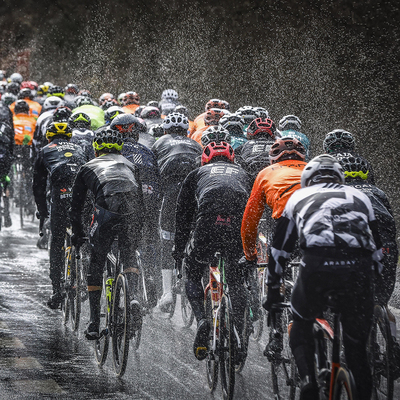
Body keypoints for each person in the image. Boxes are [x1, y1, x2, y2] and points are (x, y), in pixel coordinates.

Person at [264, 154, 383, 400]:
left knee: (301, 322)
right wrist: (375, 287)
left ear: (308, 180)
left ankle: (308, 382)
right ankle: (361, 387)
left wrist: (273, 289)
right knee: (356, 350)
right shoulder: (360, 197)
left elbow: (279, 250)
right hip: (357, 269)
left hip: (317, 265)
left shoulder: (298, 196)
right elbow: (378, 252)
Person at [173, 140, 252, 360]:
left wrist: (179, 250)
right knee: (236, 281)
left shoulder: (197, 173)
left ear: (206, 158)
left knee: (194, 272)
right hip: (238, 223)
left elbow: (183, 216)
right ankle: (236, 329)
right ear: (232, 158)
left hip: (207, 222)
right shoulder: (244, 174)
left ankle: (202, 320)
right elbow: (255, 208)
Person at [69, 128, 144, 340]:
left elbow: (76, 206)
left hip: (106, 211)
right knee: (129, 252)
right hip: (132, 211)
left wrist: (78, 234)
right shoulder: (130, 164)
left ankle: (94, 322)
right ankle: (133, 297)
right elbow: (140, 200)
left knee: (97, 261)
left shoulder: (87, 167)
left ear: (96, 150)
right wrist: (140, 229)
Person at [336, 153, 400, 348]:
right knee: (380, 302)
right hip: (385, 250)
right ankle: (394, 345)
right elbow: (391, 226)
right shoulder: (379, 193)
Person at [33, 121, 87, 309]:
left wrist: (43, 213)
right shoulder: (80, 148)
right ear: (69, 137)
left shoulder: (45, 150)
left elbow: (38, 187)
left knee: (56, 241)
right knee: (83, 235)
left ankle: (57, 291)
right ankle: (86, 274)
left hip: (61, 193)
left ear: (49, 137)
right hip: (83, 193)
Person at [151, 112, 202, 311]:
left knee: (167, 240)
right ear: (186, 131)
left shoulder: (159, 142)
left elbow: (152, 172)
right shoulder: (195, 144)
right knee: (194, 235)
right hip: (195, 191)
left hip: (171, 192)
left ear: (165, 130)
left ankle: (167, 293)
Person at [111, 113, 162, 307]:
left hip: (121, 202)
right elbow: (157, 181)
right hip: (147, 201)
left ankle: (121, 279)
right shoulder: (146, 150)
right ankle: (149, 276)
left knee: (118, 243)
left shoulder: (113, 151)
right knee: (149, 238)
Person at [235, 117, 277, 183]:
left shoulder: (245, 145)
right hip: (274, 175)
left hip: (251, 176)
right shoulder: (277, 144)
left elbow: (235, 158)